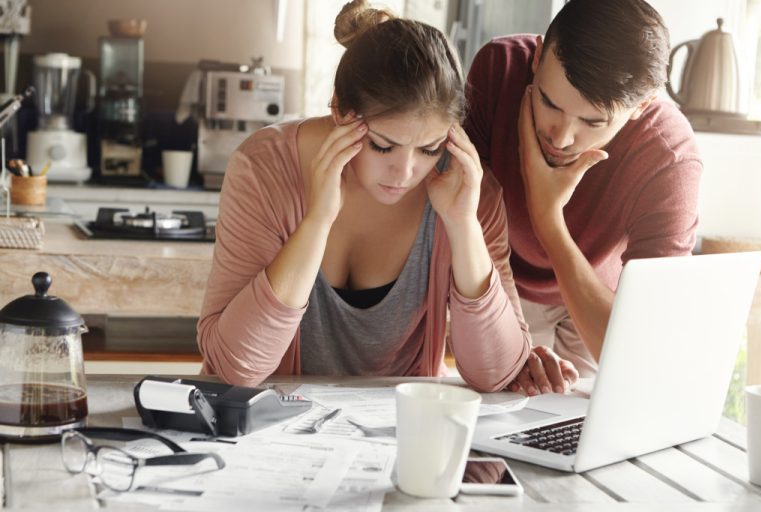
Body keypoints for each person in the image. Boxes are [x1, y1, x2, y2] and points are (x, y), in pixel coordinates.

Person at [197, 0, 532, 392]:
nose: (405, 173)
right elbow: (236, 368)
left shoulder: (467, 189)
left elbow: (496, 373)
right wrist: (316, 221)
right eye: (382, 146)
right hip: (270, 438)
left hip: (399, 436)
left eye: (429, 149)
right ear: (340, 109)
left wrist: (463, 226)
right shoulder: (263, 168)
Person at [464, 0, 702, 395]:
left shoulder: (670, 158)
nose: (560, 138)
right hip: (501, 280)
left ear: (641, 106)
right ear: (538, 57)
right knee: (501, 407)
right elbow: (463, 224)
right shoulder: (498, 70)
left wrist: (548, 222)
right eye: (548, 102)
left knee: (589, 418)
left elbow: (642, 356)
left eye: (592, 122)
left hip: (598, 297)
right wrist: (512, 341)